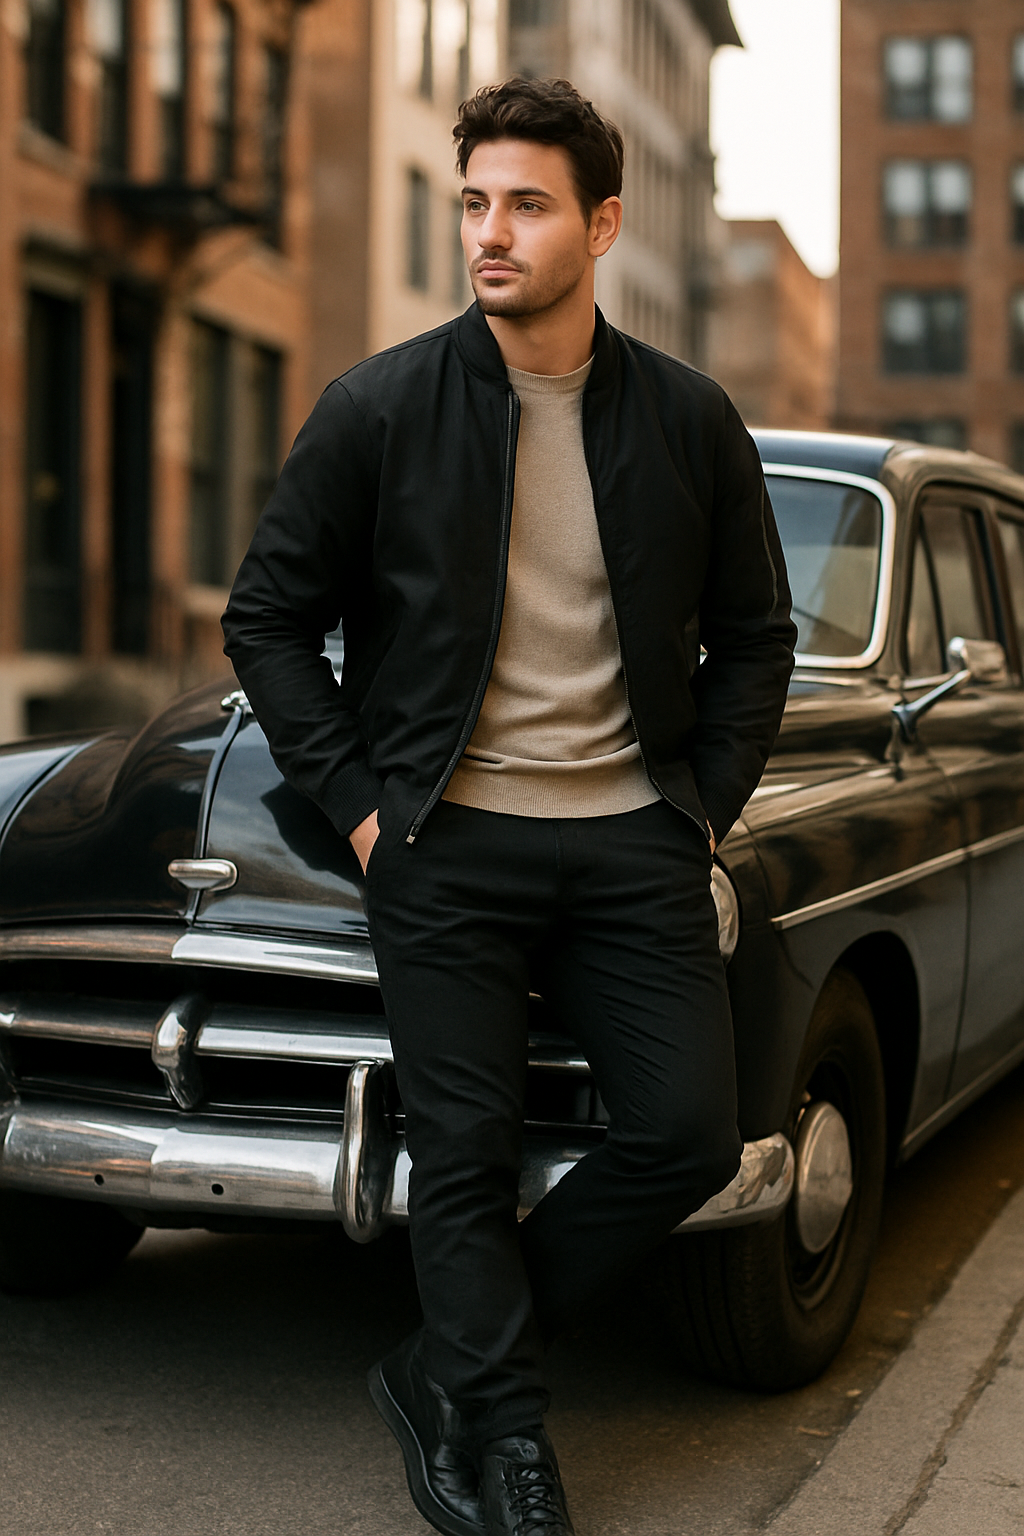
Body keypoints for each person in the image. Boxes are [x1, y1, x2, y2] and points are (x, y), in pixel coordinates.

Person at [222, 75, 795, 1536]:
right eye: (475, 201)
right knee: (462, 1151)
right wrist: (361, 811)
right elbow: (270, 620)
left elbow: (756, 634)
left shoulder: (688, 420)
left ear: (603, 224)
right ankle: (514, 1438)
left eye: (525, 205)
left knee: (688, 1133)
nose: (489, 231)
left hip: (630, 839)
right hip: (444, 840)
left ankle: (449, 1370)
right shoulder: (378, 408)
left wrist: (704, 807)